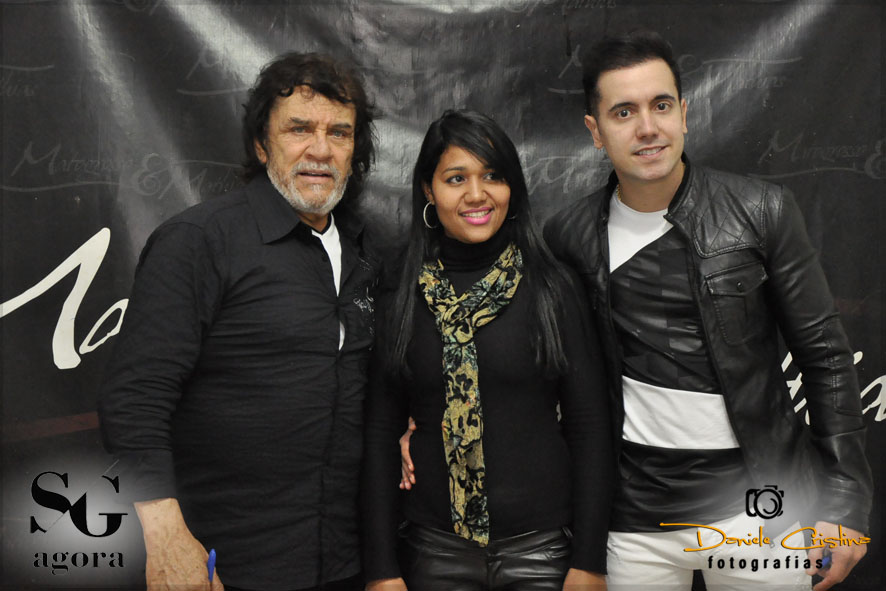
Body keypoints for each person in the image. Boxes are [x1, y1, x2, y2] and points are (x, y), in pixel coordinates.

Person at [541, 30, 873, 590]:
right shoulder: (568, 236)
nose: (647, 127)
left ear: (684, 114)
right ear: (595, 131)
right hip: (633, 522)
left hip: (760, 510)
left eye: (661, 105)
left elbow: (826, 359)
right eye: (624, 112)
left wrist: (844, 503)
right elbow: (545, 368)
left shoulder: (761, 211)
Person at [98, 52, 379, 591]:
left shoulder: (368, 251)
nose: (320, 150)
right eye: (299, 129)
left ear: (354, 151)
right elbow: (134, 397)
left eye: (339, 133)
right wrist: (166, 538)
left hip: (342, 563)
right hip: (221, 567)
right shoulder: (198, 242)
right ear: (261, 144)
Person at [361, 110, 613, 591]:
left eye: (493, 176)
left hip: (542, 552)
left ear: (511, 186)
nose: (477, 194)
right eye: (456, 178)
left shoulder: (552, 286)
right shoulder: (401, 291)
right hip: (433, 552)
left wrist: (589, 561)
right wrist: (382, 572)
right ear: (429, 190)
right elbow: (379, 432)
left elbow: (590, 426)